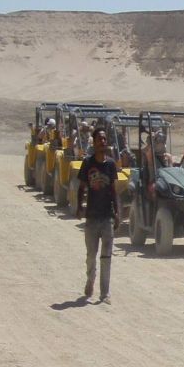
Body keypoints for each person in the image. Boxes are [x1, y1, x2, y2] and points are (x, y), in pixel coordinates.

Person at [76, 126, 121, 304]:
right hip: (92, 217)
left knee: (106, 256)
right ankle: (90, 279)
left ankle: (105, 293)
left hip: (107, 216)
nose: (102, 142)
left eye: (104, 139)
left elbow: (114, 190)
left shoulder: (110, 165)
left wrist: (118, 212)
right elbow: (81, 187)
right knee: (91, 255)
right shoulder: (88, 163)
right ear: (94, 143)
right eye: (99, 139)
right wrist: (79, 206)